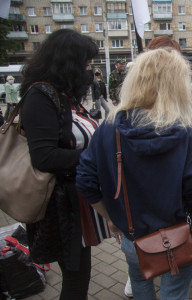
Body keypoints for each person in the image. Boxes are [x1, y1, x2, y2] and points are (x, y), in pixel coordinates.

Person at [76, 49, 192, 300]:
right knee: (174, 294)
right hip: (180, 236)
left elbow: (85, 180)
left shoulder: (109, 127)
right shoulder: (186, 131)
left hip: (133, 236)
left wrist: (111, 218)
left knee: (139, 283)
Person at [19, 29, 100, 300]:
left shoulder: (66, 95)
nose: (90, 70)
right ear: (68, 63)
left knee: (79, 274)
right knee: (76, 278)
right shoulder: (40, 96)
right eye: (86, 64)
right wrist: (95, 159)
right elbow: (44, 157)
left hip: (75, 200)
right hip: (59, 206)